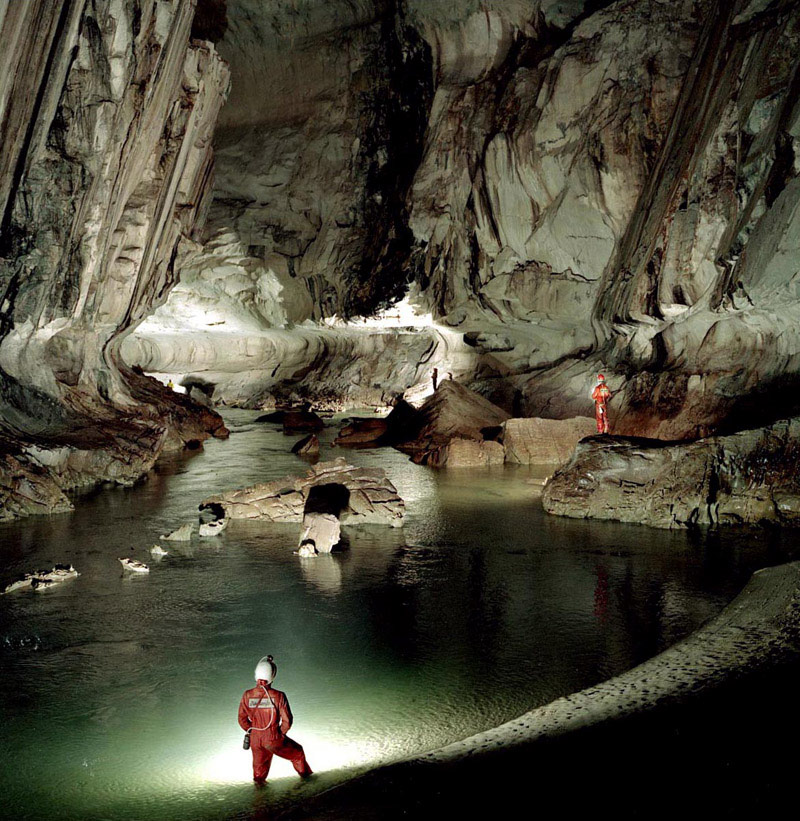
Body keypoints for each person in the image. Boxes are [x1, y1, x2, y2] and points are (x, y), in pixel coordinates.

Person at [238, 655, 313, 784]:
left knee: (259, 774)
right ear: (272, 676)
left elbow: (242, 719)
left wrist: (253, 731)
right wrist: (279, 734)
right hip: (273, 737)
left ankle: (260, 798)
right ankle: (309, 784)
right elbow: (287, 720)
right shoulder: (278, 696)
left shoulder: (247, 695)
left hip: (255, 739)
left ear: (256, 675)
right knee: (298, 754)